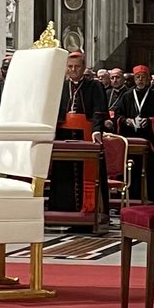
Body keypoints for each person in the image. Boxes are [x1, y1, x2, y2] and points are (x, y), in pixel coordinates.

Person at [49, 50, 107, 215]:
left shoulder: (95, 85)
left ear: (83, 68)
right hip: (63, 135)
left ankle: (89, 211)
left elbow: (99, 110)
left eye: (76, 67)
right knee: (63, 171)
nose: (73, 70)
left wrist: (97, 130)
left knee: (87, 174)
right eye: (70, 67)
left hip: (86, 134)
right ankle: (62, 210)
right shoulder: (59, 86)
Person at [116, 64, 154, 205]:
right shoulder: (126, 96)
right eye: (138, 77)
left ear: (149, 79)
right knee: (132, 170)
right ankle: (132, 199)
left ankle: (152, 200)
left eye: (143, 77)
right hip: (131, 140)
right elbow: (118, 115)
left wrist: (150, 121)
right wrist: (127, 121)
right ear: (134, 79)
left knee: (150, 172)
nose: (140, 80)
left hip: (149, 140)